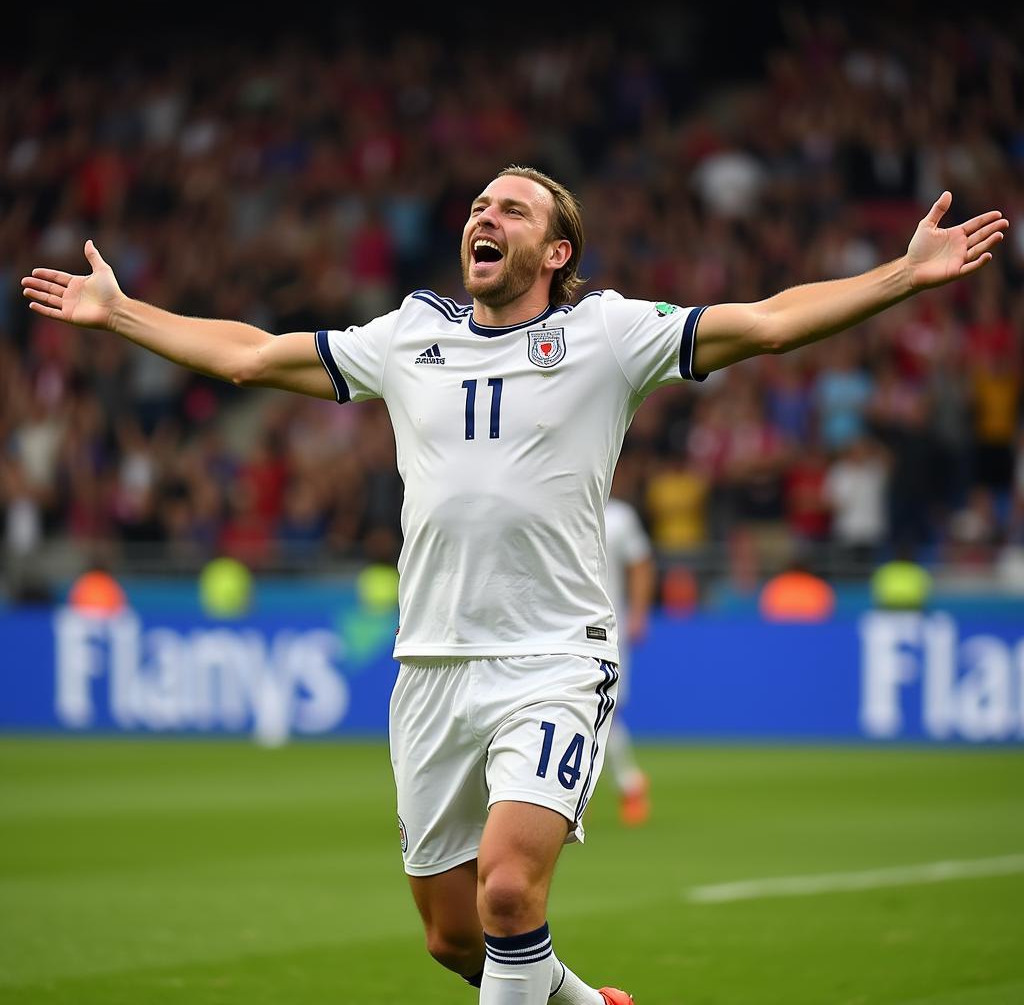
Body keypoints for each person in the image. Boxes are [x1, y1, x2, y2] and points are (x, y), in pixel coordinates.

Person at [23, 166, 1008, 1004]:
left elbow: (769, 323)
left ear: (556, 254)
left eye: (513, 211)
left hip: (552, 659)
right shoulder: (406, 336)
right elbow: (247, 355)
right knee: (455, 938)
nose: (483, 218)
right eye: (479, 207)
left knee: (506, 895)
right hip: (430, 670)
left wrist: (902, 275)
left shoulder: (610, 336)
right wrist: (119, 313)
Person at [603, 494, 656, 826]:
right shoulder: (556, 500)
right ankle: (628, 783)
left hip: (608, 627)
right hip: (556, 628)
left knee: (605, 708)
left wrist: (638, 613)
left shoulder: (619, 516)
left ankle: (629, 784)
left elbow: (640, 564)